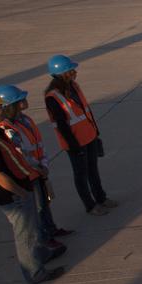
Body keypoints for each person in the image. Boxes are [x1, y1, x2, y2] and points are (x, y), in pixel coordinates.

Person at [0, 87, 65, 284]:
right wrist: (21, 193)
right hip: (13, 196)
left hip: (22, 189)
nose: (1, 109)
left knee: (33, 228)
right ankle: (35, 273)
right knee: (25, 235)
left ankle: (42, 254)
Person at [0, 83, 70, 250]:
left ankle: (51, 229)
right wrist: (38, 168)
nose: (25, 102)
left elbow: (38, 144)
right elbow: (21, 155)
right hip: (30, 173)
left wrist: (44, 164)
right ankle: (45, 238)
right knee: (38, 208)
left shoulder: (25, 120)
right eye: (20, 100)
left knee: (45, 203)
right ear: (10, 105)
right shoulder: (8, 129)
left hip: (39, 169)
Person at [44, 54, 116, 215]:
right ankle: (90, 205)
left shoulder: (74, 86)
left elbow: (85, 111)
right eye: (71, 70)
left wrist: (95, 132)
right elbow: (62, 125)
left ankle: (101, 198)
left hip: (89, 135)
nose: (74, 72)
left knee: (93, 170)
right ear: (62, 73)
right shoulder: (53, 97)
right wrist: (74, 146)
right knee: (81, 174)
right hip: (75, 143)